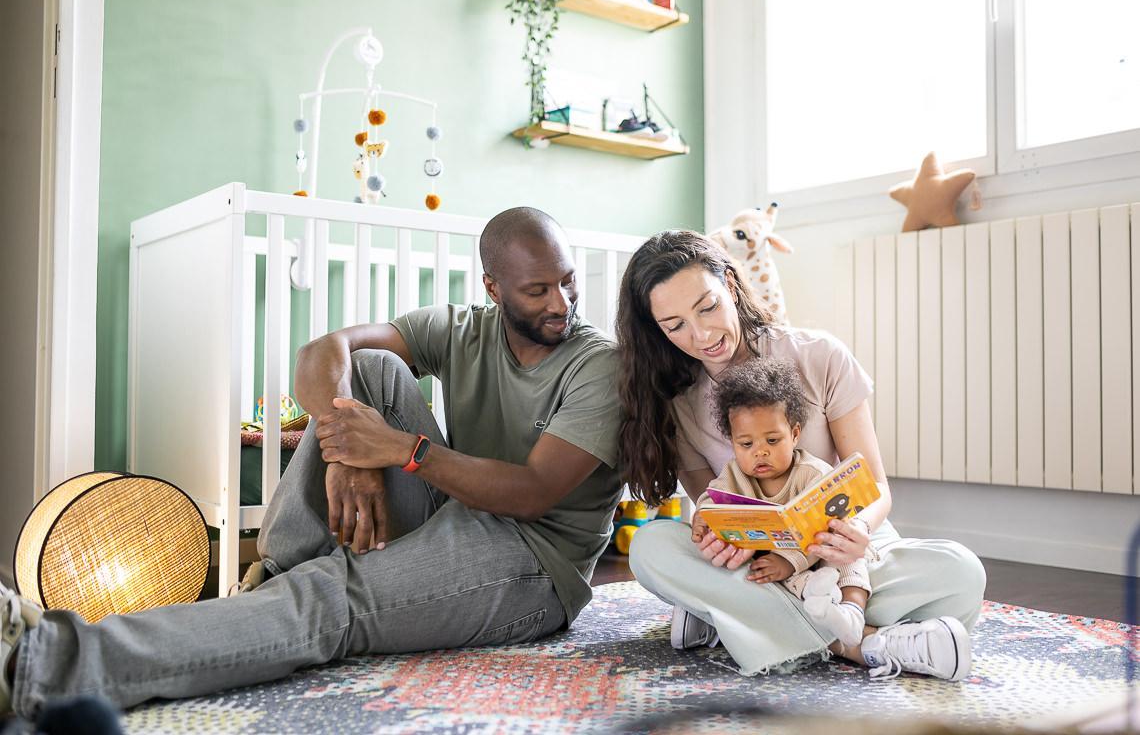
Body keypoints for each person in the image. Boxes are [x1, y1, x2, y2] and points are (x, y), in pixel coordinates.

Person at [1, 207, 623, 717]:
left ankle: (48, 662)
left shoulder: (599, 365)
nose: (561, 303)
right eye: (537, 290)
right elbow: (324, 347)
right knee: (371, 369)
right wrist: (346, 456)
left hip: (533, 564)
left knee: (329, 597)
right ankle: (275, 585)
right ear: (493, 288)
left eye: (567, 281)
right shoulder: (466, 328)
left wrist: (404, 450)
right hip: (458, 509)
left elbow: (534, 492)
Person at [615, 229, 985, 682]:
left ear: (730, 286)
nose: (702, 334)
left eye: (708, 306)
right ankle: (863, 643)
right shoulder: (680, 402)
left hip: (847, 554)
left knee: (962, 573)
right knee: (651, 549)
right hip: (765, 564)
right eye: (675, 326)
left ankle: (731, 618)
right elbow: (712, 505)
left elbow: (875, 488)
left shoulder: (821, 356)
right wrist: (711, 531)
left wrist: (859, 530)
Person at [699, 357, 874, 649]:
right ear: (733, 443)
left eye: (772, 440)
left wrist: (787, 560)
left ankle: (853, 613)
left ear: (794, 435)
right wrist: (703, 514)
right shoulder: (734, 473)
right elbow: (713, 497)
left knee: (845, 557)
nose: (760, 453)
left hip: (817, 552)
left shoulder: (813, 474)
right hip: (789, 573)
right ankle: (820, 603)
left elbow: (824, 533)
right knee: (761, 574)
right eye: (746, 444)